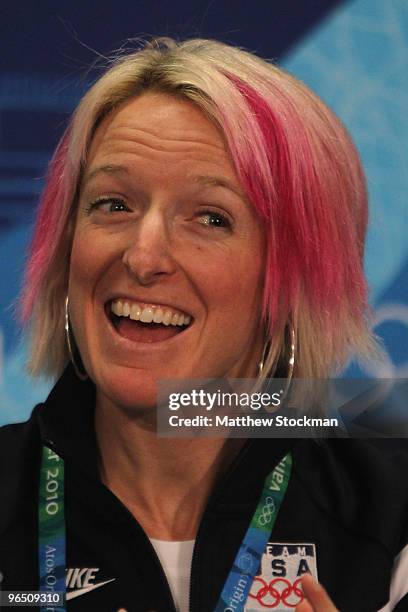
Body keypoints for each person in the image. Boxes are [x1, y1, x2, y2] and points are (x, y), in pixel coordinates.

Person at [0, 37, 407, 612]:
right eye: (114, 204)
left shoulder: (393, 515)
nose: (143, 257)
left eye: (211, 218)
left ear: (291, 278)